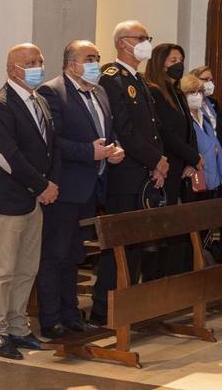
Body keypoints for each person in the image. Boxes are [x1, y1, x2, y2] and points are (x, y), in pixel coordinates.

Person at [35, 40, 124, 339]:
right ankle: (51, 318)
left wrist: (115, 149)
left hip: (91, 188)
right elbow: (53, 141)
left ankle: (71, 314)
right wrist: (90, 152)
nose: (96, 62)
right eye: (89, 58)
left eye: (97, 57)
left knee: (75, 255)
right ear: (72, 63)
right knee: (54, 254)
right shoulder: (53, 91)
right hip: (65, 187)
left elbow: (107, 133)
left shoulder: (99, 91)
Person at [0, 43, 57, 360]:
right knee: (2, 271)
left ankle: (17, 325)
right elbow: (6, 156)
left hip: (35, 199)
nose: (38, 65)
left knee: (27, 268)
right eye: (31, 62)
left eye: (40, 60)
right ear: (13, 69)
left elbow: (47, 148)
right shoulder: (0, 104)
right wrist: (40, 185)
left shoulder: (39, 100)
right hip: (9, 198)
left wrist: (48, 184)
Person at [91, 20, 166, 325]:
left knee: (135, 246)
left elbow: (151, 128)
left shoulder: (139, 79)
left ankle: (127, 305)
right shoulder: (113, 78)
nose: (147, 42)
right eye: (142, 38)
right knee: (118, 247)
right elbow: (125, 129)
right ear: (124, 43)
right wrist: (154, 160)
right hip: (124, 177)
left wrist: (158, 163)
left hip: (143, 174)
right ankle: (103, 308)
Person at [144, 43, 200, 280]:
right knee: (159, 231)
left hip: (181, 168)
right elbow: (166, 132)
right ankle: (155, 280)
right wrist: (192, 156)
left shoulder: (176, 92)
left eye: (181, 59)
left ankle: (174, 280)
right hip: (165, 167)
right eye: (172, 59)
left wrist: (191, 160)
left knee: (177, 229)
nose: (178, 64)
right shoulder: (154, 90)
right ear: (159, 62)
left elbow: (189, 129)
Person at [183, 73, 222, 200]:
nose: (197, 95)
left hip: (212, 176)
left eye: (199, 91)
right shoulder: (183, 118)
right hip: (193, 177)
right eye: (192, 92)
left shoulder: (205, 117)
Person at [190, 65, 222, 143]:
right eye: (205, 79)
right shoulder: (192, 102)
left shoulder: (213, 102)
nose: (209, 83)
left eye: (211, 80)